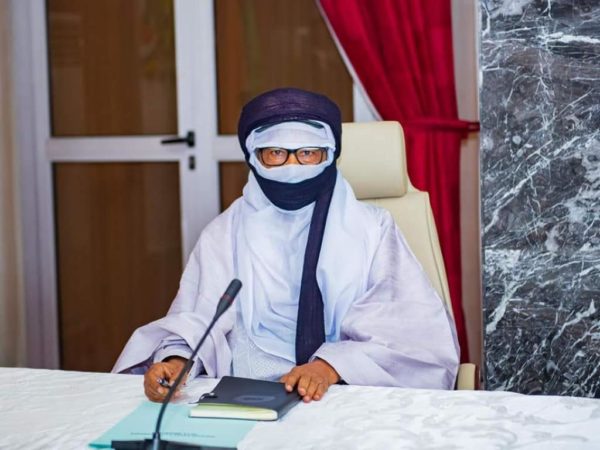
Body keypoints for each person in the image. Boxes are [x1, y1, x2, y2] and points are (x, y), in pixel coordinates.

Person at [113, 87, 459, 403]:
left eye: (307, 153)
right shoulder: (225, 231)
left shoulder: (373, 228)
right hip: (244, 391)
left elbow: (408, 333)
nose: (292, 167)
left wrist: (329, 366)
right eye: (276, 153)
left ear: (330, 155)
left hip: (343, 390)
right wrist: (177, 362)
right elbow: (197, 317)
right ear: (254, 157)